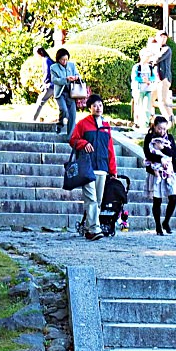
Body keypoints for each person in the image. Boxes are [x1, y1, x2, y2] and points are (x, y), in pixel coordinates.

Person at [69, 93, 117, 241]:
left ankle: (91, 229)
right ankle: (94, 229)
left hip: (102, 166)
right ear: (90, 108)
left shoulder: (106, 126)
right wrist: (84, 144)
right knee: (91, 198)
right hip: (87, 166)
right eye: (95, 105)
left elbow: (110, 149)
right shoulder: (83, 124)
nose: (98, 108)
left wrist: (113, 169)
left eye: (100, 105)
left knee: (98, 200)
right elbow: (73, 140)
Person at [143, 115, 176, 235]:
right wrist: (160, 159)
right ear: (154, 127)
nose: (162, 131)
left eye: (164, 129)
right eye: (159, 129)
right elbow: (148, 154)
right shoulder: (149, 137)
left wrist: (162, 148)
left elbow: (173, 153)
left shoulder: (170, 138)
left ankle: (166, 222)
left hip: (168, 171)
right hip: (155, 171)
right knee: (157, 200)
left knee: (173, 197)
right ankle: (158, 226)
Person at [50, 48, 80, 136]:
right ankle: (60, 124)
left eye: (66, 59)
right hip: (60, 93)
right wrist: (65, 79)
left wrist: (76, 77)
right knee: (64, 110)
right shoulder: (53, 67)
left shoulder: (72, 65)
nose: (64, 61)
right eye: (63, 60)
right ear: (58, 59)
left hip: (71, 92)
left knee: (72, 115)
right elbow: (54, 80)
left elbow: (77, 74)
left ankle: (70, 136)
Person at [131, 47, 157, 129]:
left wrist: (149, 80)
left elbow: (153, 77)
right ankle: (137, 122)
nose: (148, 58)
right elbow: (134, 77)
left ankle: (145, 124)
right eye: (147, 56)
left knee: (147, 107)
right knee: (138, 106)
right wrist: (143, 80)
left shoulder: (150, 67)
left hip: (148, 89)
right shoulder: (137, 67)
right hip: (138, 90)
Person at [153, 31, 174, 119]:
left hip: (163, 79)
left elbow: (157, 59)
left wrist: (151, 58)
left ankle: (170, 120)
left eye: (165, 37)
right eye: (161, 37)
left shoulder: (167, 49)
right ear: (157, 38)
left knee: (162, 101)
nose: (163, 39)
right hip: (156, 80)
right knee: (150, 99)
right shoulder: (157, 49)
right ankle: (150, 120)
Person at [32, 46, 56, 122]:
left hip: (49, 85)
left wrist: (44, 83)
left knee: (40, 102)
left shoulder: (46, 60)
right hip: (54, 85)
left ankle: (33, 119)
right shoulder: (48, 60)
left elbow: (47, 73)